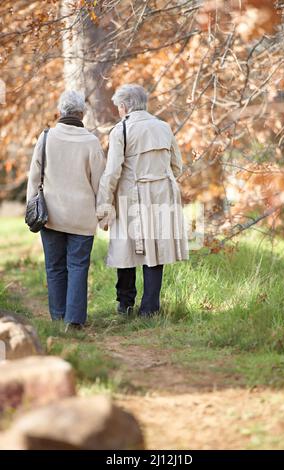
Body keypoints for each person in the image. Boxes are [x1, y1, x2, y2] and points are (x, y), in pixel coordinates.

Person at [98, 84, 189, 317]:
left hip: (131, 196)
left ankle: (125, 305)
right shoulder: (164, 127)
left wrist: (104, 204)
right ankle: (150, 309)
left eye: (119, 105)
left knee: (124, 251)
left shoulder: (121, 131)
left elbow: (112, 173)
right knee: (155, 251)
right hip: (162, 196)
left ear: (124, 106)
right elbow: (177, 165)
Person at [27, 90, 105, 331]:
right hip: (82, 218)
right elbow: (99, 182)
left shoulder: (47, 137)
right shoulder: (91, 141)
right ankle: (74, 320)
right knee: (78, 266)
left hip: (51, 216)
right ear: (81, 113)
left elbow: (34, 176)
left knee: (54, 267)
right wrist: (103, 212)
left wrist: (32, 206)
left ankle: (58, 317)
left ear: (60, 112)